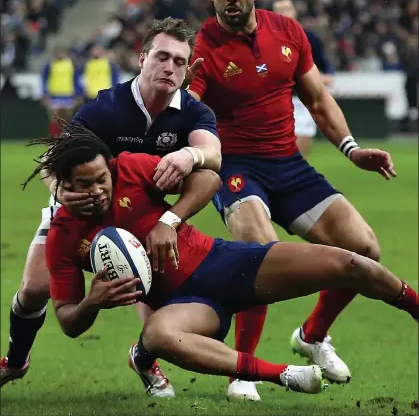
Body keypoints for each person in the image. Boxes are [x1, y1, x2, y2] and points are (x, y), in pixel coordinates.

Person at [25, 124, 418, 399]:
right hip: (187, 308)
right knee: (159, 335)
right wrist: (93, 301)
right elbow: (67, 321)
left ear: (109, 169)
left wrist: (169, 219)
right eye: (82, 185)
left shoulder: (129, 167)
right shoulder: (62, 237)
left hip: (224, 263)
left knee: (350, 263)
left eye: (101, 181)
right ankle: (282, 375)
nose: (96, 191)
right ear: (61, 186)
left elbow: (209, 179)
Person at [186, 0, 397, 400]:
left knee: (365, 249)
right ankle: (241, 371)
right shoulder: (201, 48)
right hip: (236, 168)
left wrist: (352, 150)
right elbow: (188, 114)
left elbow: (318, 99)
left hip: (289, 165)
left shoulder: (288, 32)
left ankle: (312, 336)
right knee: (261, 256)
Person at [0, 18, 221, 398]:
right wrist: (60, 193)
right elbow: (53, 161)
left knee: (155, 298)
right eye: (162, 57)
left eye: (180, 62)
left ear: (187, 70)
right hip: (81, 208)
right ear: (142, 58)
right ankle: (16, 360)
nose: (170, 67)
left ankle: (145, 360)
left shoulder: (194, 113)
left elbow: (213, 156)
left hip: (140, 215)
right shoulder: (106, 107)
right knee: (35, 287)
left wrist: (190, 154)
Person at [272, 0, 334, 158]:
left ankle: (296, 176)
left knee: (302, 141)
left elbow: (325, 67)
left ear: (294, 11)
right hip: (274, 100)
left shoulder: (310, 38)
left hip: (302, 99)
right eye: (280, 9)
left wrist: (326, 78)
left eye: (287, 8)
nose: (284, 12)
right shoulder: (263, 39)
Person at [41, 47, 82, 136]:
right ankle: (54, 138)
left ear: (66, 54)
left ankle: (66, 137)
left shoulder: (72, 65)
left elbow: (76, 80)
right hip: (54, 95)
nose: (60, 54)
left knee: (67, 118)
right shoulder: (50, 65)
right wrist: (44, 93)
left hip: (68, 95)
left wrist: (79, 93)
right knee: (54, 118)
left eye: (62, 53)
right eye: (58, 53)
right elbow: (44, 80)